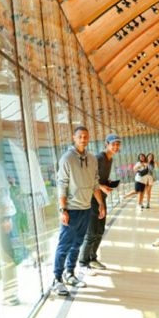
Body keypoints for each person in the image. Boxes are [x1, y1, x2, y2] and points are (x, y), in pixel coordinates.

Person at [51, 126, 106, 296]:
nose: (83, 139)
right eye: (80, 136)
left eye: (86, 136)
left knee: (77, 245)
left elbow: (95, 184)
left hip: (86, 208)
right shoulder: (67, 158)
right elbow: (62, 185)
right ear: (74, 138)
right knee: (64, 245)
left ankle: (70, 273)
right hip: (72, 210)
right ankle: (57, 279)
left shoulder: (92, 158)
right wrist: (63, 209)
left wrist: (100, 204)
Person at [79, 133, 120, 274]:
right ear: (106, 144)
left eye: (117, 144)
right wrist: (101, 187)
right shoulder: (99, 158)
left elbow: (99, 178)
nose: (116, 146)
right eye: (113, 144)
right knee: (91, 233)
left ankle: (92, 258)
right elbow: (88, 178)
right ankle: (83, 263)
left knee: (100, 231)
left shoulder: (110, 159)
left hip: (101, 198)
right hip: (91, 199)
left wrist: (107, 183)